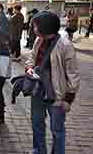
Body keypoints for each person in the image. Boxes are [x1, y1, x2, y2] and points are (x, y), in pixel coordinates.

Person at [25, 11, 80, 154]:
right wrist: (30, 68)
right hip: (38, 89)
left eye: (36, 26)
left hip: (57, 95)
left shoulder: (65, 45)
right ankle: (39, 150)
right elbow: (32, 57)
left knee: (57, 129)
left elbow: (72, 74)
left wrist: (68, 99)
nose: (34, 29)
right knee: (37, 123)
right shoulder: (39, 40)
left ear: (45, 27)